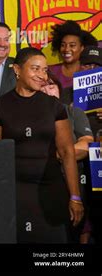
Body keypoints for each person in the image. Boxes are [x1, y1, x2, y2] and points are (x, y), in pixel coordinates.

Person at [0, 47, 84, 243]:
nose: (41, 75)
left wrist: (75, 196)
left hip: (51, 191)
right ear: (17, 70)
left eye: (45, 70)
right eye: (35, 69)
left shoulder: (54, 106)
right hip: (14, 192)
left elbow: (66, 152)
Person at [41, 71, 94, 243]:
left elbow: (86, 145)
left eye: (51, 85)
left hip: (73, 188)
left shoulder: (73, 112)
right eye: (42, 86)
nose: (48, 91)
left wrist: (58, 154)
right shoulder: (30, 117)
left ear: (58, 89)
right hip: (42, 189)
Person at [49, 20, 98, 89]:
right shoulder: (51, 71)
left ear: (82, 48)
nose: (66, 49)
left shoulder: (90, 71)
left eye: (72, 45)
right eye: (63, 45)